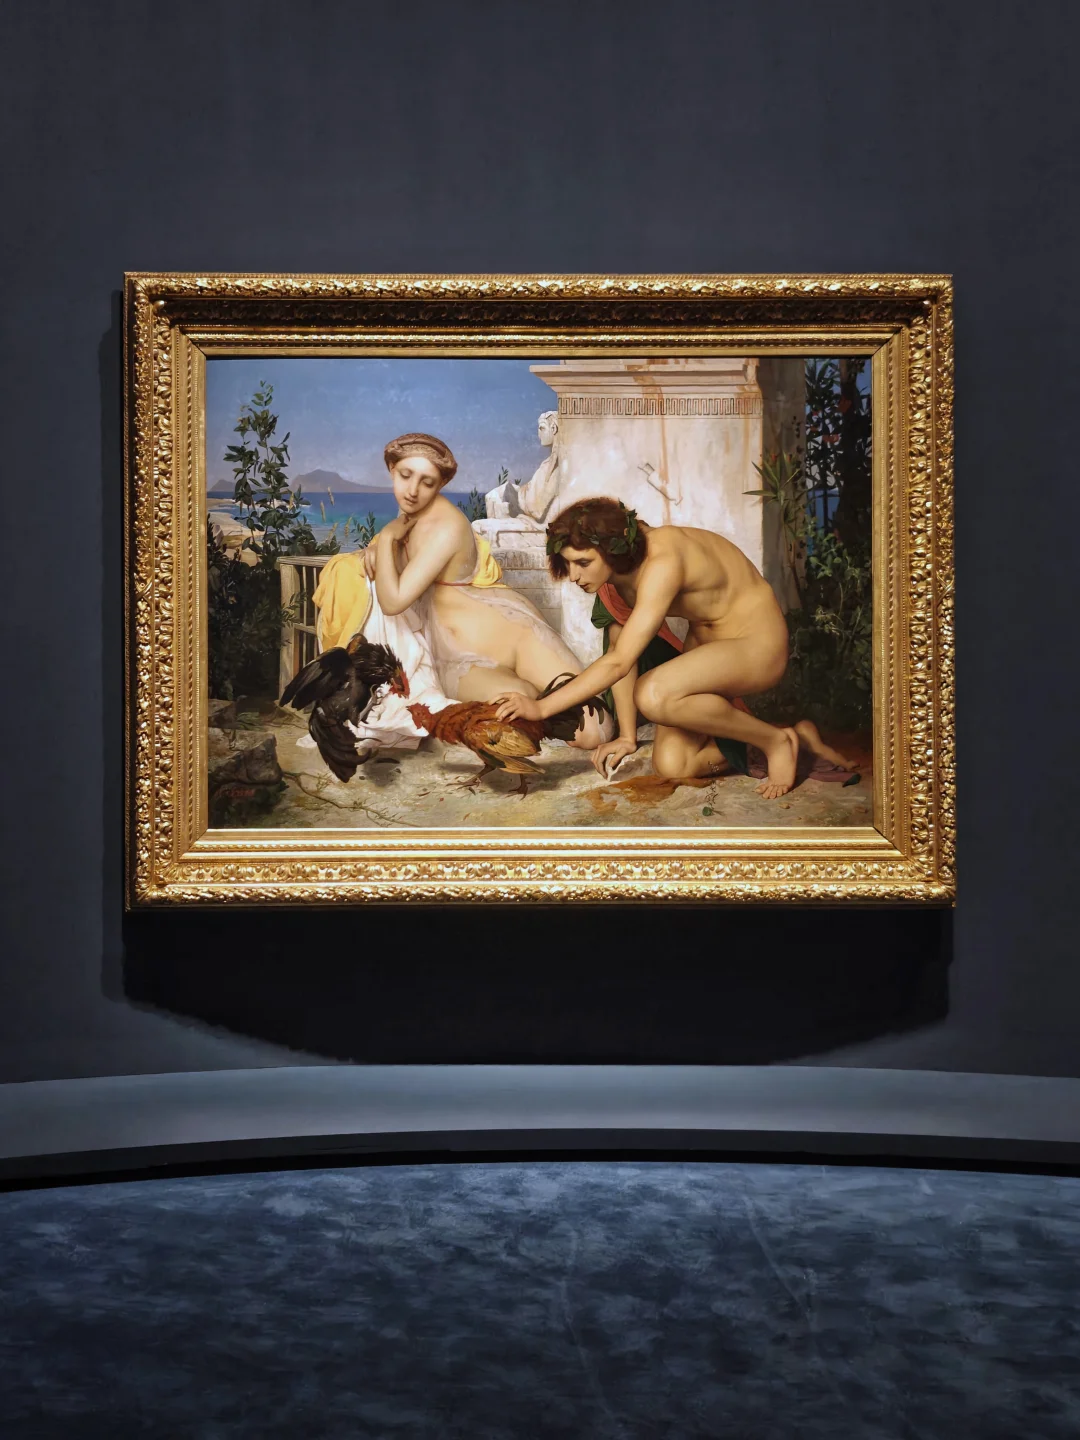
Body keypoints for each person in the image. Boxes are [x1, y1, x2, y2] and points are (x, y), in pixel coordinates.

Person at [493, 496, 849, 798]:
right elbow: (620, 650)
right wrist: (627, 737)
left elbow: (618, 663)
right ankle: (793, 738)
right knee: (674, 765)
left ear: (610, 550)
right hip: (705, 650)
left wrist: (541, 708)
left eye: (583, 563)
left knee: (653, 694)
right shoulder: (612, 575)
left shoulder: (663, 561)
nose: (573, 575)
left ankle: (774, 741)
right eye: (568, 563)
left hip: (756, 643)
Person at [353, 433, 612, 748]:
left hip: (510, 633)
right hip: (458, 656)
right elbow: (399, 576)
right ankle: (536, 704)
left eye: (427, 482)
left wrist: (386, 540)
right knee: (520, 708)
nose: (412, 490)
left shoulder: (445, 526)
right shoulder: (409, 514)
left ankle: (543, 703)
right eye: (405, 475)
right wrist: (382, 543)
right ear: (391, 469)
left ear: (440, 484)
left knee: (595, 728)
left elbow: (393, 601)